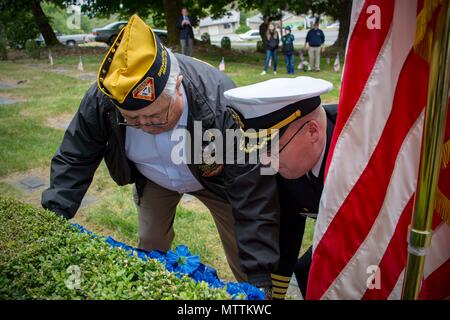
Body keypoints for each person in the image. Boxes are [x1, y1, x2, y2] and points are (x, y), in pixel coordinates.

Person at [41, 14, 282, 291]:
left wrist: (260, 278)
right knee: (150, 245)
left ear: (177, 86)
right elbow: (76, 154)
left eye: (155, 116)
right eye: (131, 119)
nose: (144, 126)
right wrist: (55, 215)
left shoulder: (221, 104)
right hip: (154, 177)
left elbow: (254, 193)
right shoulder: (102, 99)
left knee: (247, 259)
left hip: (218, 181)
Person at [224, 76, 336, 299]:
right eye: (260, 150)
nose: (265, 162)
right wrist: (269, 293)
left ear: (312, 131)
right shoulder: (285, 161)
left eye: (273, 149)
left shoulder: (362, 153)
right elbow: (286, 225)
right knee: (307, 271)